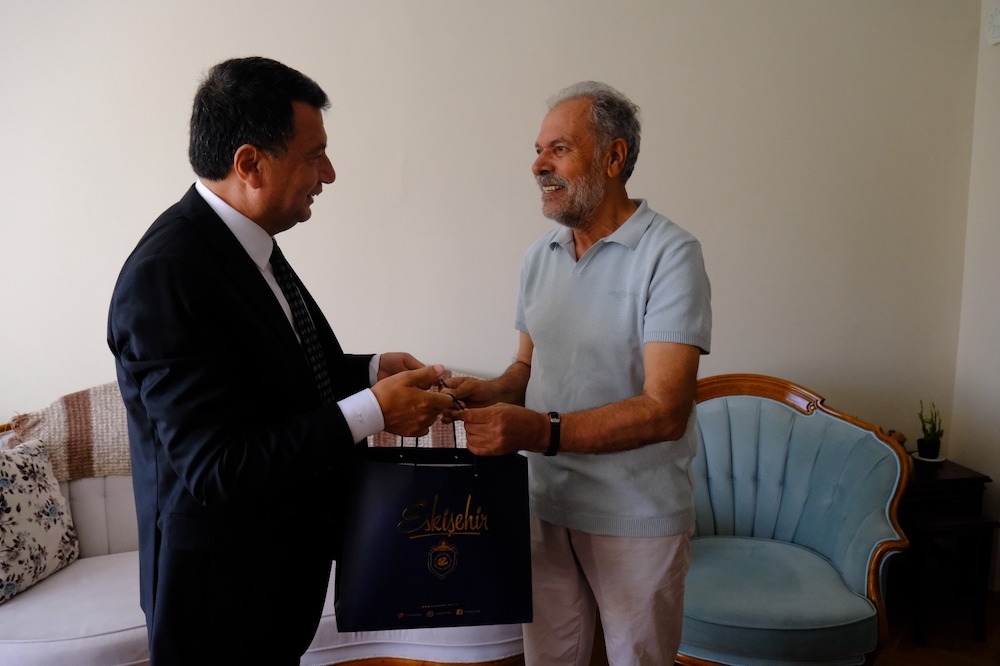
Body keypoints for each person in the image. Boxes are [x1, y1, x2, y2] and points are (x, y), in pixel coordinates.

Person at [107, 57, 454, 665]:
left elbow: (275, 375)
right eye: (315, 155)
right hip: (216, 611)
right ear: (250, 164)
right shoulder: (167, 276)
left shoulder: (248, 244)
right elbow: (217, 467)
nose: (329, 174)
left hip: (273, 590)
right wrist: (373, 411)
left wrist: (370, 371)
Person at [449, 82, 712, 665]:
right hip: (543, 504)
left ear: (614, 158)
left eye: (559, 149)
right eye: (538, 150)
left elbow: (666, 410)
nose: (538, 165)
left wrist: (538, 431)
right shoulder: (538, 255)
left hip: (636, 517)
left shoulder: (671, 254)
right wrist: (483, 392)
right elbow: (526, 368)